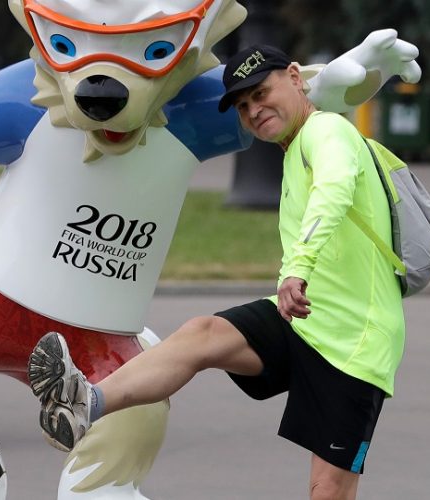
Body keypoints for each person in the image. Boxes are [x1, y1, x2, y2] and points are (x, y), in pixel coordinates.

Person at [28, 44, 406, 500]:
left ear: (294, 76)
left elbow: (334, 190)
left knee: (328, 492)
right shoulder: (298, 145)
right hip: (305, 318)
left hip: (353, 343)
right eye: (243, 106)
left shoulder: (327, 131)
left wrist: (295, 270)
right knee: (202, 334)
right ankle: (86, 403)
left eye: (261, 93)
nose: (254, 110)